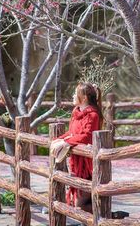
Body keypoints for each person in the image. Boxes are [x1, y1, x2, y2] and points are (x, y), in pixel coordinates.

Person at [50, 82, 102, 213]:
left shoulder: (93, 115)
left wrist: (66, 143)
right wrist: (59, 140)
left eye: (75, 94)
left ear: (84, 98)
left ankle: (108, 217)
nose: (73, 96)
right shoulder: (76, 112)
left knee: (80, 205)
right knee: (79, 204)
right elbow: (72, 133)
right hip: (76, 163)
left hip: (88, 166)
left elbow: (86, 136)